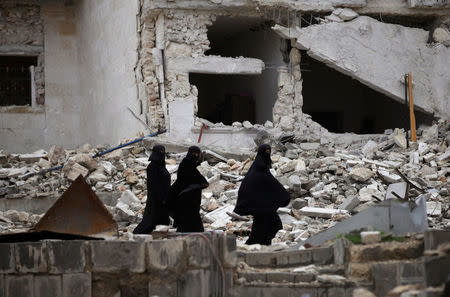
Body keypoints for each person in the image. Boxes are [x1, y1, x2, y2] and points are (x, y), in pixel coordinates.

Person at [234, 144, 290, 245]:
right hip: (260, 207)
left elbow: (269, 185)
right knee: (266, 226)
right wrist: (284, 196)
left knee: (270, 225)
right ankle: (253, 247)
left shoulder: (258, 167)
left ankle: (261, 245)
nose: (267, 154)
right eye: (266, 152)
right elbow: (273, 184)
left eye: (269, 151)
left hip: (262, 206)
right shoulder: (260, 169)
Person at [168, 146, 209, 232]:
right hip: (186, 198)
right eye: (194, 153)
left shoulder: (191, 166)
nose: (196, 155)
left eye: (197, 153)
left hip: (190, 198)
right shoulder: (187, 165)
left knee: (190, 218)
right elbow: (202, 183)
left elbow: (204, 183)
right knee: (188, 218)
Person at [133, 145, 170, 234]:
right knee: (150, 220)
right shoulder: (152, 167)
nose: (161, 154)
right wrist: (162, 198)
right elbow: (154, 186)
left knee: (162, 220)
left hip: (163, 199)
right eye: (159, 152)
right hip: (156, 199)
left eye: (162, 151)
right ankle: (138, 234)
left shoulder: (161, 165)